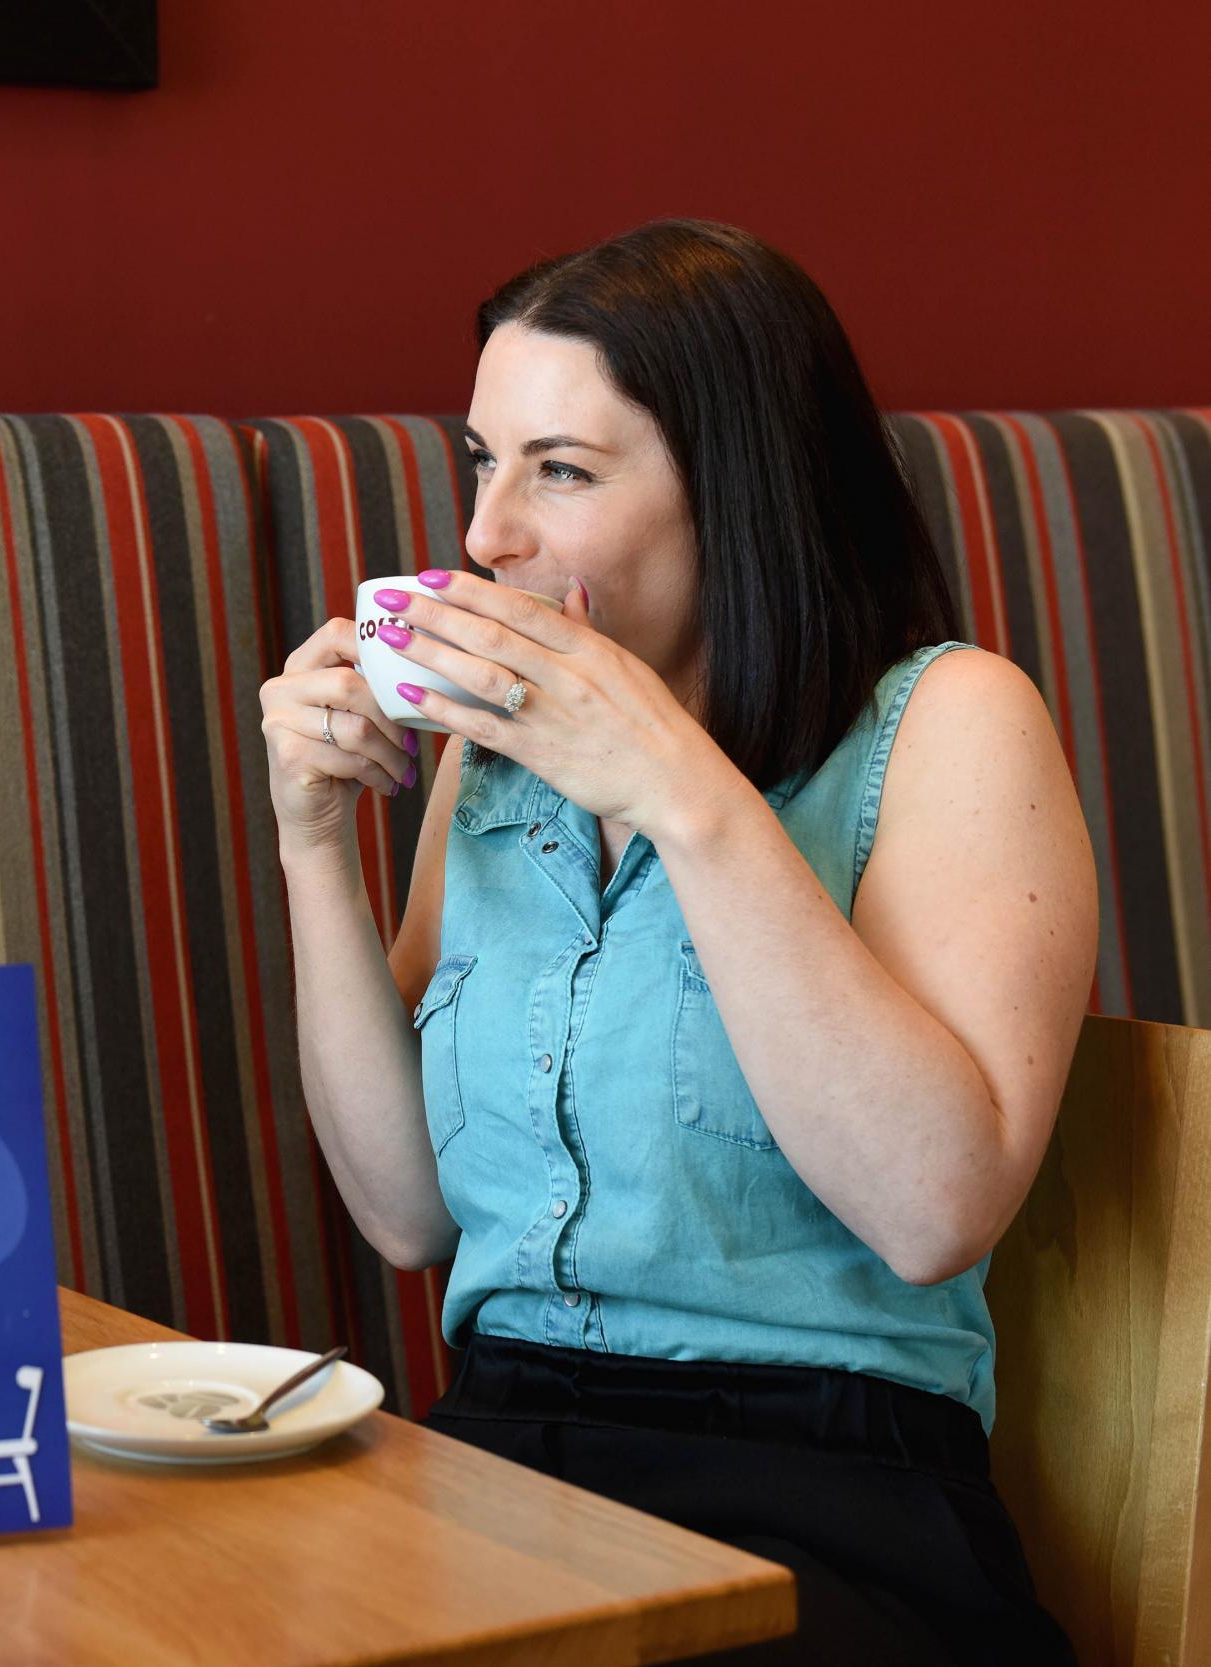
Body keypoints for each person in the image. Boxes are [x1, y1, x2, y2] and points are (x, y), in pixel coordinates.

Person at [258, 219, 1090, 1662]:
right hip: (490, 1473)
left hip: (825, 1495)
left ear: (743, 493)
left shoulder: (952, 724)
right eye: (483, 461)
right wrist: (312, 840)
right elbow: (407, 1215)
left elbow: (933, 1208)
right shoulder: (492, 764)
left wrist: (675, 790)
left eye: (560, 471)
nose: (484, 535)